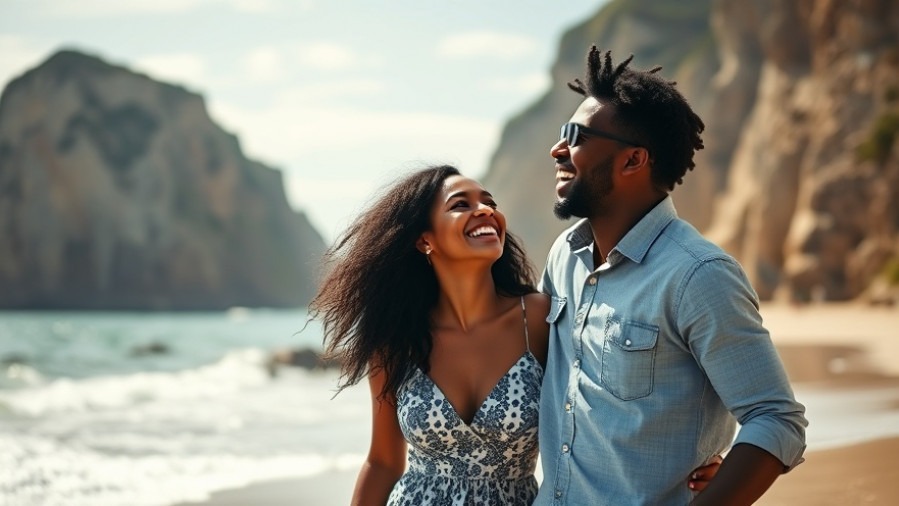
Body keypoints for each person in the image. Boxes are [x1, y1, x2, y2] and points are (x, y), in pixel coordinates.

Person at [311, 165, 722, 505]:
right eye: (462, 205)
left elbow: (619, 395)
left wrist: (692, 457)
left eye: (489, 202)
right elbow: (383, 462)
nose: (485, 211)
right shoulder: (394, 340)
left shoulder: (540, 319)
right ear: (424, 240)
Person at [535, 46, 808, 505]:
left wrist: (723, 485)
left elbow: (776, 417)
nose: (557, 149)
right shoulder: (565, 255)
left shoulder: (698, 275)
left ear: (633, 160)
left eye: (575, 135)